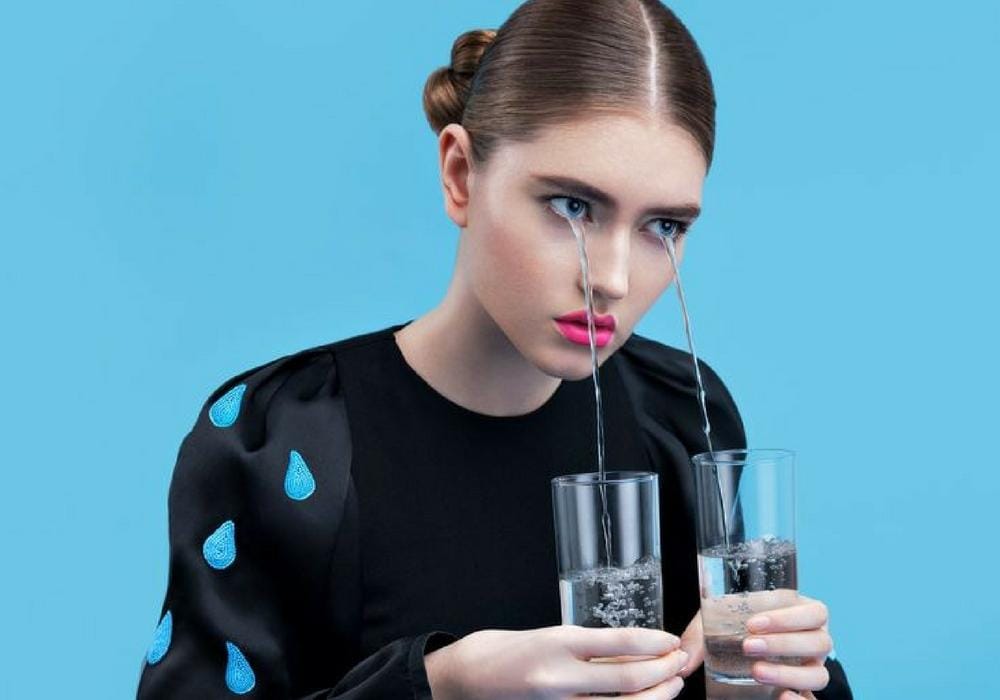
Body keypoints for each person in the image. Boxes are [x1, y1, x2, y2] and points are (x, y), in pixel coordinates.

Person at [136, 1, 853, 698]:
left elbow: (725, 669)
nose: (611, 278)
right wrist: (441, 685)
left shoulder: (682, 415)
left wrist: (775, 685)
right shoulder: (279, 440)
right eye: (572, 206)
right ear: (460, 174)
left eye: (663, 226)